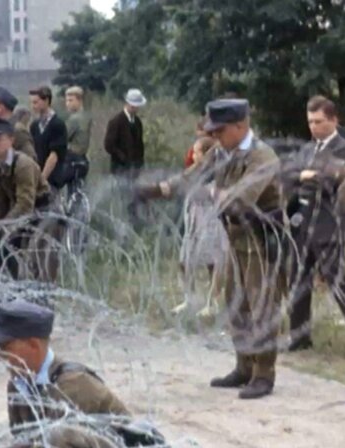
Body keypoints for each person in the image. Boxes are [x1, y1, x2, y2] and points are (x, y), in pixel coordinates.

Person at [136, 99, 283, 399]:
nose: (214, 137)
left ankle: (264, 374)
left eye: (220, 131)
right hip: (236, 236)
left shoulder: (263, 157)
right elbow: (192, 176)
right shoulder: (222, 152)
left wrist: (212, 191)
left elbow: (242, 198)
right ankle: (244, 367)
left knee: (262, 305)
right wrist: (158, 190)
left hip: (261, 238)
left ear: (241, 126)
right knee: (234, 302)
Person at [0, 300, 168, 448]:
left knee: (59, 435)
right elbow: (22, 439)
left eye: (6, 346)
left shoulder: (73, 384)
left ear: (33, 345)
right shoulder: (17, 385)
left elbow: (53, 442)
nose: (0, 355)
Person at [282, 96, 345, 351]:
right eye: (310, 122)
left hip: (328, 222)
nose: (313, 127)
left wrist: (305, 175)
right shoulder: (307, 149)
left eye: (319, 121)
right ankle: (299, 337)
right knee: (298, 279)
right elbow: (287, 176)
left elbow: (327, 182)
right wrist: (304, 174)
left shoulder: (343, 148)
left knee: (337, 280)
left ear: (333, 120)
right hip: (302, 223)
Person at [0, 118, 61, 285]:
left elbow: (25, 204)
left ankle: (43, 299)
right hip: (24, 212)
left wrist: (4, 226)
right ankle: (15, 292)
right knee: (8, 251)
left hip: (44, 211)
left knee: (41, 260)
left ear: (11, 140)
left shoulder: (22, 164)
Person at [173, 136, 227, 316]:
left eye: (196, 152)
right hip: (193, 222)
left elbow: (213, 194)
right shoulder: (194, 172)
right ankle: (190, 298)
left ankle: (212, 303)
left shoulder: (216, 173)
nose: (193, 155)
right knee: (184, 261)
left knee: (213, 263)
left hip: (209, 220)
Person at [30, 86, 68, 190]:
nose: (33, 106)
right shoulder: (34, 125)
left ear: (46, 100)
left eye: (36, 102)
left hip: (52, 179)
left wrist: (42, 179)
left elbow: (54, 156)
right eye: (32, 103)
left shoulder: (57, 124)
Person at [104, 89, 146, 177]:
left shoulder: (137, 122)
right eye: (134, 106)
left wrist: (140, 163)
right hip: (119, 169)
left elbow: (139, 144)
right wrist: (122, 157)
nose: (136, 108)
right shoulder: (116, 121)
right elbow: (109, 145)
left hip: (135, 169)